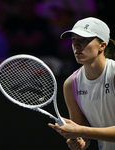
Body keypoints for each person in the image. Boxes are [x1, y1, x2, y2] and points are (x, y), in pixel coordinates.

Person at [48, 17, 115, 150]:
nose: (76, 45)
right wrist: (79, 142)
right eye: (74, 39)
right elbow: (82, 136)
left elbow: (81, 130)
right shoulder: (71, 84)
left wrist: (81, 131)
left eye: (84, 40)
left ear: (102, 45)